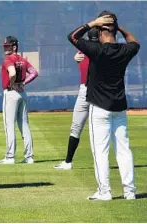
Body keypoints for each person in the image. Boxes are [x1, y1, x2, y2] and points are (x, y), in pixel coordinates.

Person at [68, 11, 140, 200]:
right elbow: (135, 42)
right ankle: (129, 191)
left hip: (99, 108)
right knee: (124, 150)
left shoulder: (96, 50)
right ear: (115, 31)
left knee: (100, 151)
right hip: (119, 108)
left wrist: (93, 23)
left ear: (100, 32)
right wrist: (119, 27)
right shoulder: (125, 50)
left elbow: (72, 36)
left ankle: (105, 192)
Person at [54, 28, 99, 170]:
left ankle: (68, 162)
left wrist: (77, 56)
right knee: (96, 129)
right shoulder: (102, 49)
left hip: (88, 90)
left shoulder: (83, 50)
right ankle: (71, 162)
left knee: (77, 127)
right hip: (96, 91)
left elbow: (73, 37)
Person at [0, 36, 38, 164]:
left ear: (14, 46)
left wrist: (12, 83)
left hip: (11, 93)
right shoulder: (23, 60)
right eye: (4, 46)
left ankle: (10, 157)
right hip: (22, 93)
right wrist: (23, 82)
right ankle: (29, 157)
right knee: (24, 125)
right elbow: (34, 72)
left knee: (9, 125)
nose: (5, 48)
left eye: (7, 46)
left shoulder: (8, 59)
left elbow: (12, 73)